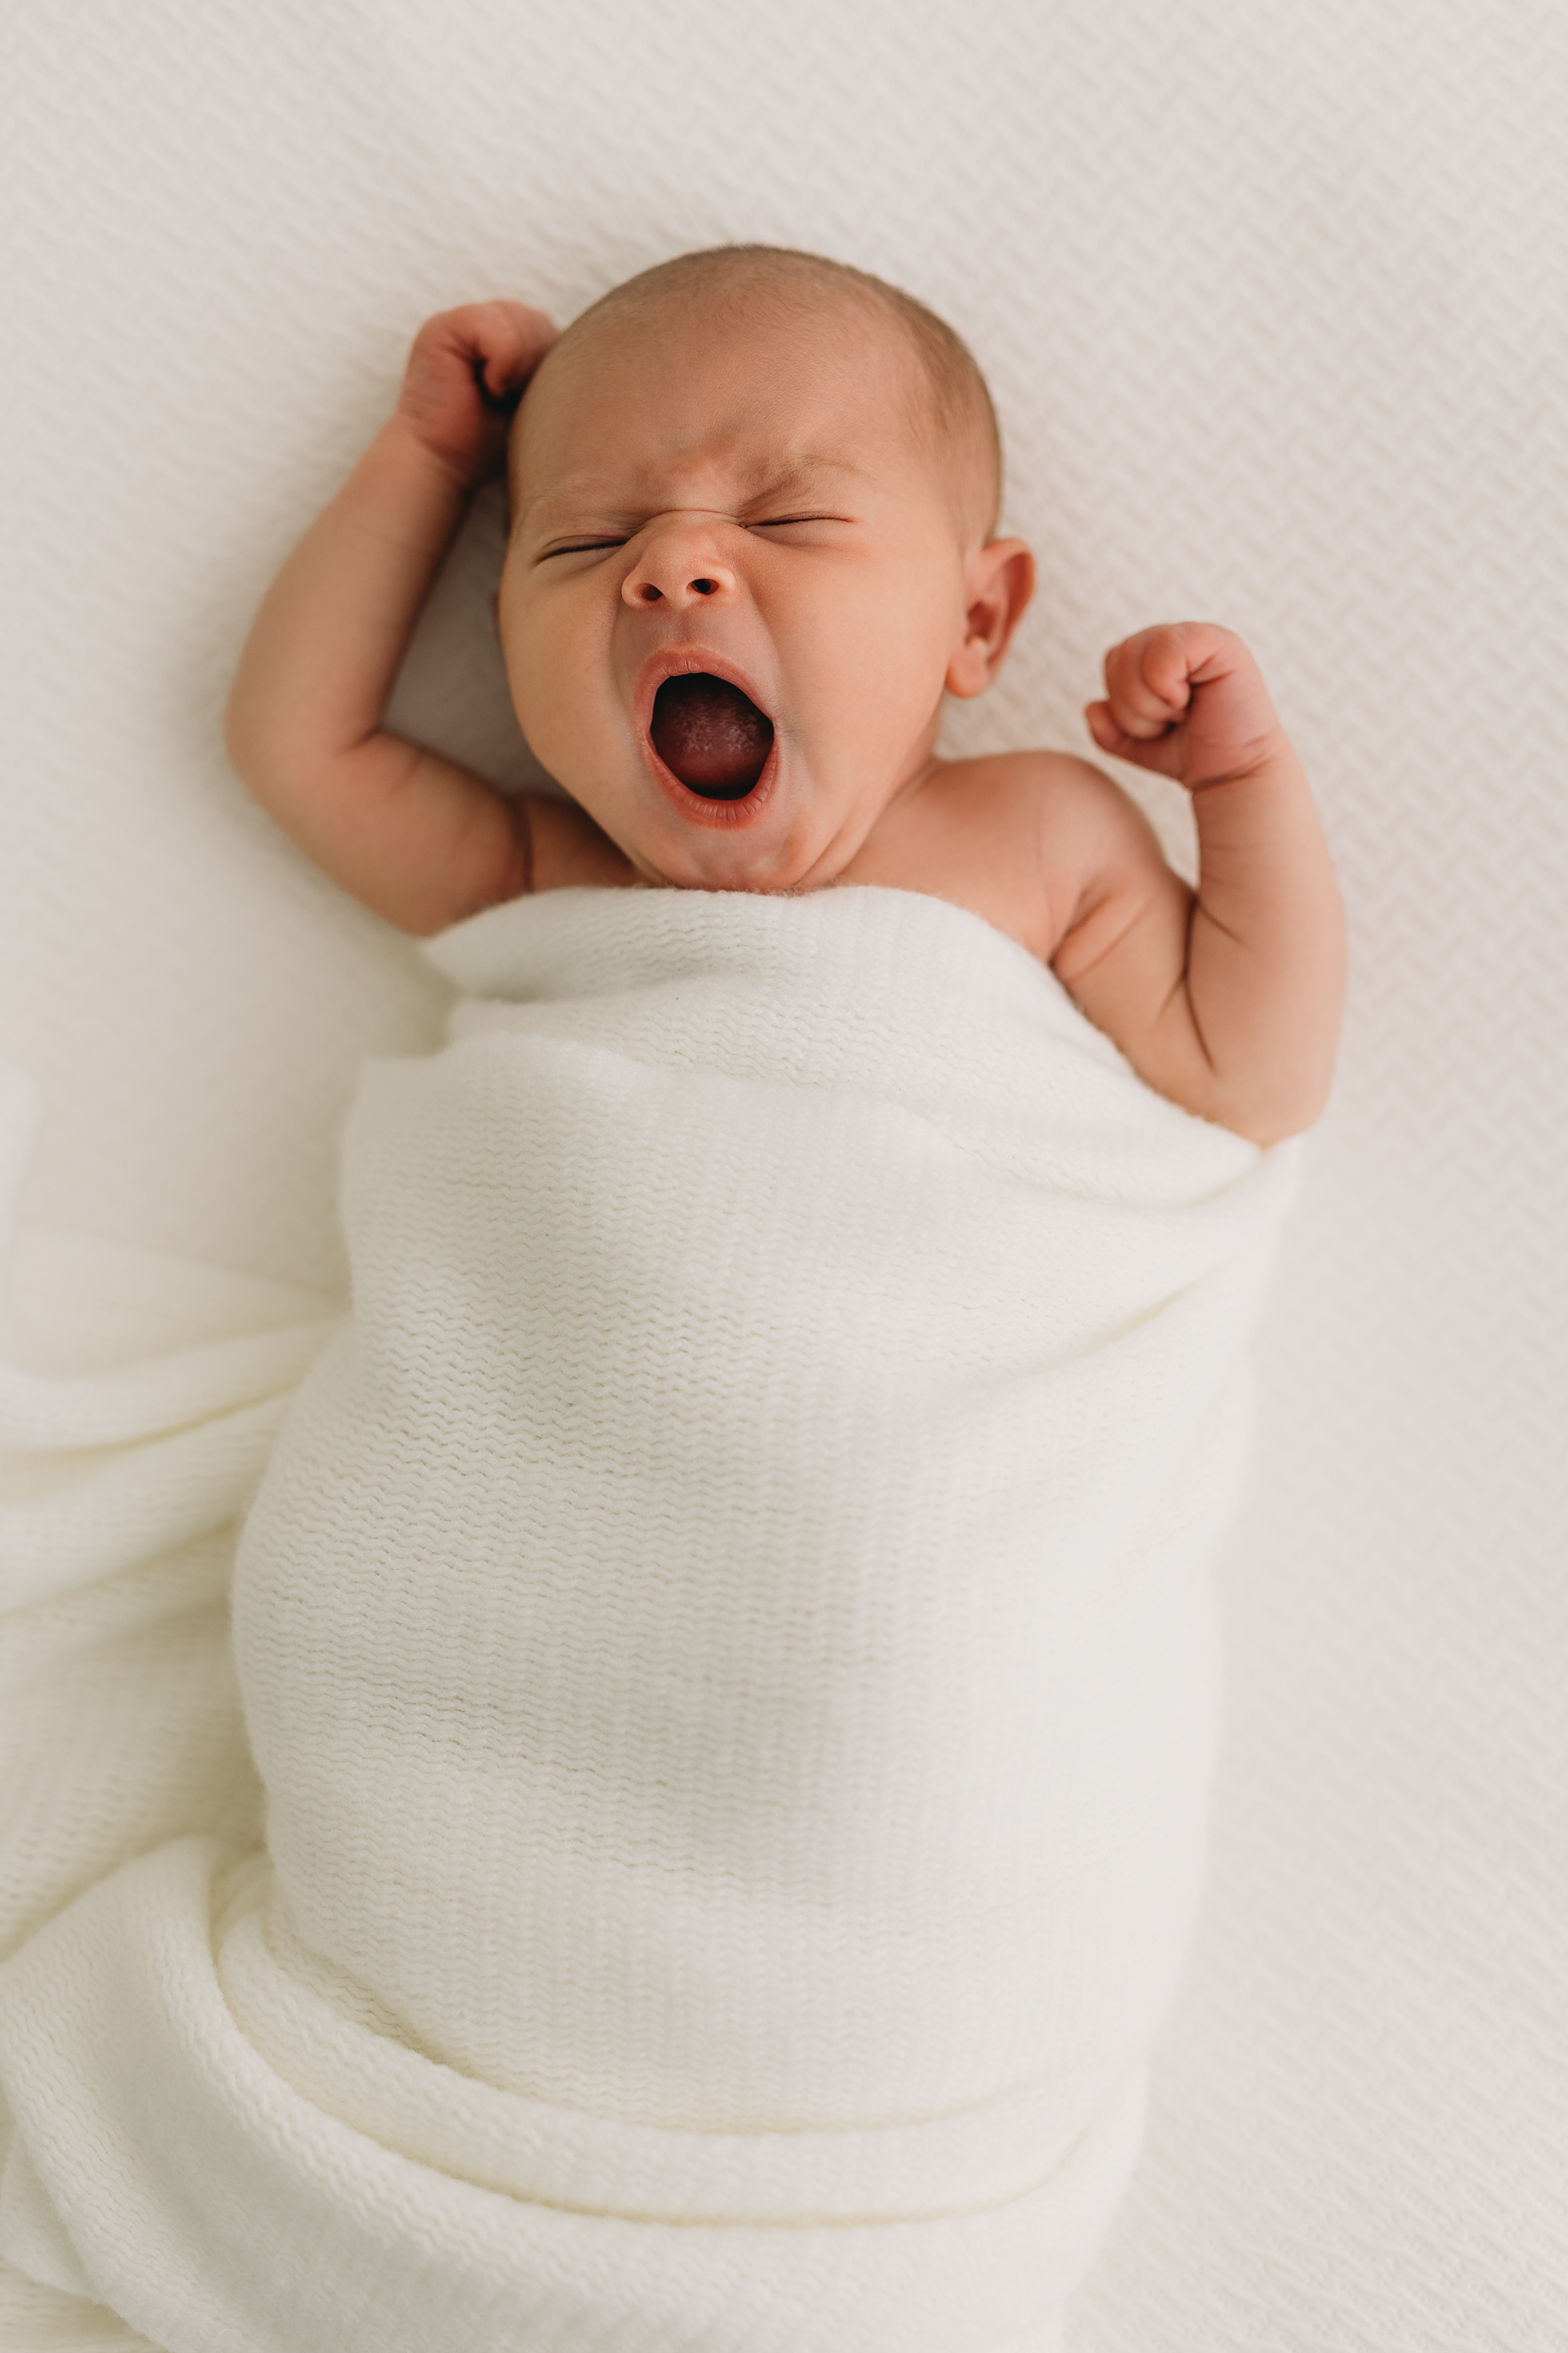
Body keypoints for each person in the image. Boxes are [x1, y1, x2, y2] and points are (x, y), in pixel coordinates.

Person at [225, 244, 1344, 1144]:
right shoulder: (544, 877)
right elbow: (298, 743)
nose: (668, 566)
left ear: (975, 620)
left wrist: (1240, 778)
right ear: (502, 630)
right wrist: (426, 459)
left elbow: (1247, 1079)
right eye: (587, 539)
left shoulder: (1041, 842)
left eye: (785, 520)